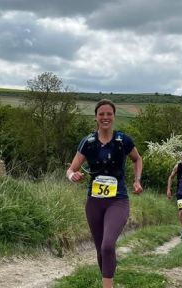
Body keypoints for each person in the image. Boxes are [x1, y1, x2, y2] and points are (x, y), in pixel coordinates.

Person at [66, 99, 143, 288]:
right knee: (101, 250)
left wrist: (137, 180)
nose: (105, 117)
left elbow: (137, 159)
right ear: (96, 117)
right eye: (101, 114)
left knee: (108, 245)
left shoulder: (123, 140)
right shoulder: (88, 142)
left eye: (109, 114)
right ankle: (108, 281)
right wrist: (73, 176)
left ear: (114, 117)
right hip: (94, 202)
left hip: (118, 201)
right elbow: (71, 169)